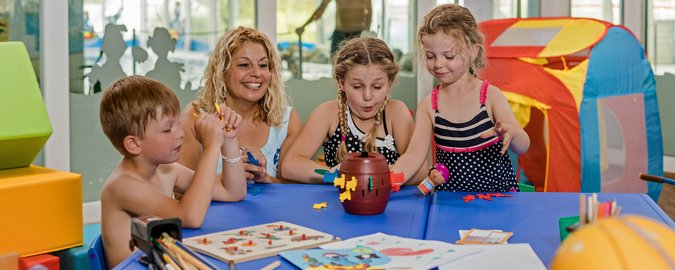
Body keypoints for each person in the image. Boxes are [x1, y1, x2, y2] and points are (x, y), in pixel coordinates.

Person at [99, 76, 246, 268]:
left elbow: (232, 191)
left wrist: (228, 139)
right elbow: (191, 217)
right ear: (134, 144)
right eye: (168, 129)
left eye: (177, 123)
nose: (181, 133)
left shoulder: (166, 171)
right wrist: (211, 147)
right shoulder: (122, 186)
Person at [391, 4, 530, 192]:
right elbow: (414, 154)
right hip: (450, 204)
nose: (438, 64)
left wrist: (511, 133)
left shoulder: (490, 96)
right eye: (430, 56)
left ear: (473, 51)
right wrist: (389, 178)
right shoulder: (429, 106)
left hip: (498, 202)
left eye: (449, 56)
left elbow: (523, 145)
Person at [280, 37, 425, 184]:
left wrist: (371, 175)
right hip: (339, 204)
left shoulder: (396, 113)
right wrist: (333, 174)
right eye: (357, 86)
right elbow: (290, 166)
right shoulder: (328, 114)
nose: (367, 96)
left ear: (390, 83)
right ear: (341, 83)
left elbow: (421, 171)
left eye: (377, 87)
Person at [179, 27, 301, 183]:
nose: (257, 73)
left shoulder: (287, 121)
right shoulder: (196, 116)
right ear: (222, 70)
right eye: (244, 65)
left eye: (263, 65)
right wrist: (228, 178)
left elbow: (296, 190)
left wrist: (265, 178)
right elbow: (178, 190)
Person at [296, 0, 372, 57]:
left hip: (358, 34)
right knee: (336, 64)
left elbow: (369, 11)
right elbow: (320, 10)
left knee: (357, 64)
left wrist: (366, 32)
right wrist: (304, 25)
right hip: (340, 34)